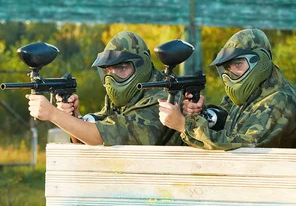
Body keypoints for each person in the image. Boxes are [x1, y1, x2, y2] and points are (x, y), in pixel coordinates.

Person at [26, 31, 183, 146]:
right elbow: (91, 133)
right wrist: (73, 117)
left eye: (122, 68)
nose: (113, 77)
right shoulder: (127, 96)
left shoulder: (164, 97)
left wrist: (53, 114)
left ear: (142, 65)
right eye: (109, 70)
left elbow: (105, 136)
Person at [158, 28, 296, 150]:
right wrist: (207, 115)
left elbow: (241, 145)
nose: (231, 73)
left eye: (238, 64)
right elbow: (227, 119)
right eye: (228, 67)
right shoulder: (249, 93)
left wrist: (184, 126)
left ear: (261, 60)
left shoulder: (279, 100)